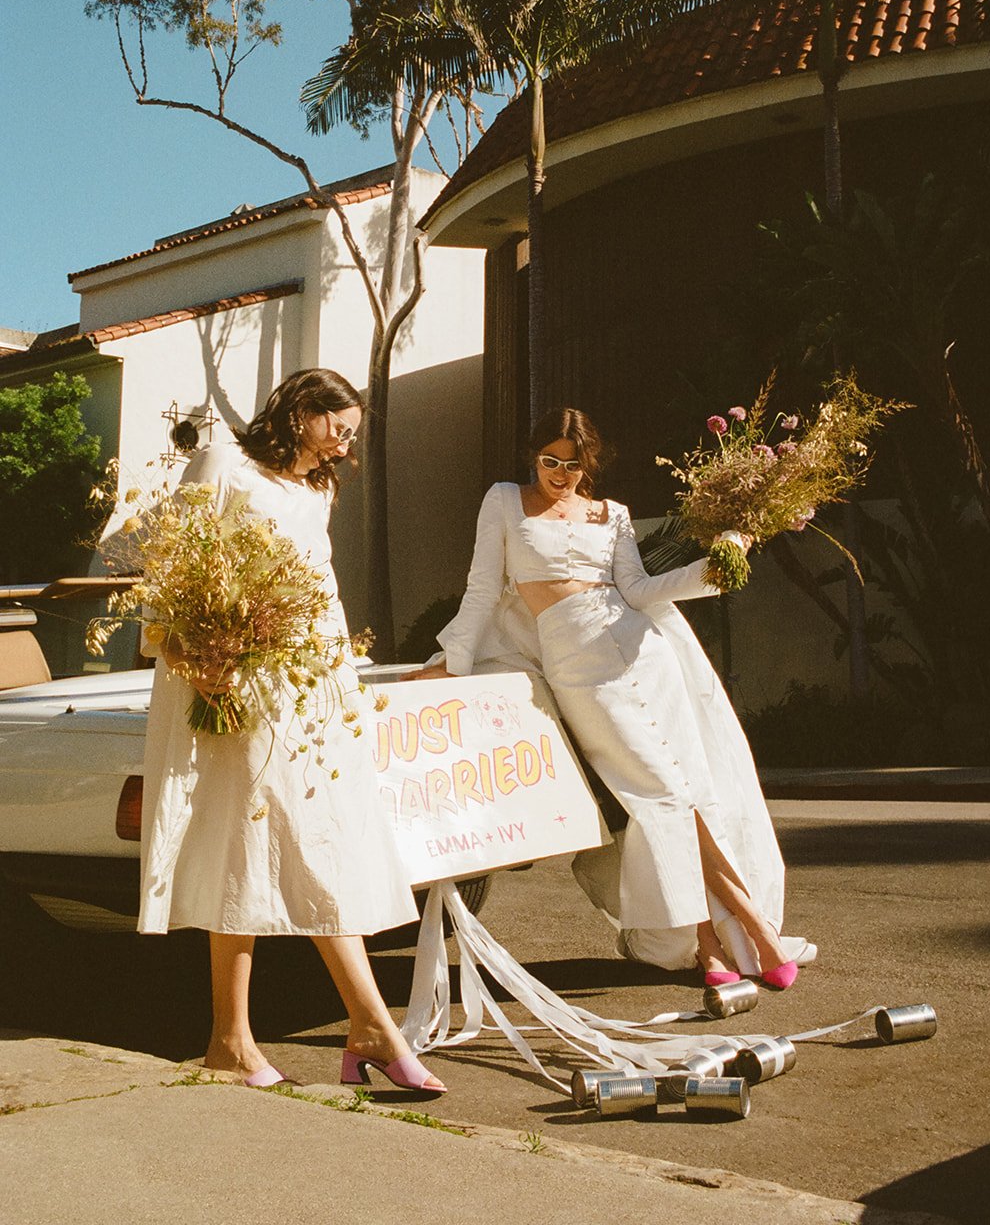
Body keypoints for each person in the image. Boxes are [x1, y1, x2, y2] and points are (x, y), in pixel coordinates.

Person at [411, 407, 814, 987]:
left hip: (641, 649)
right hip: (577, 665)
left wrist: (720, 564)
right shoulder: (503, 501)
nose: (559, 473)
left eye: (572, 465)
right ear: (534, 457)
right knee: (656, 794)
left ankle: (737, 937)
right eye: (549, 460)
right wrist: (452, 663)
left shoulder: (615, 515)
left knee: (688, 790)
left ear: (587, 464)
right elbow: (481, 590)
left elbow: (640, 590)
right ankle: (723, 935)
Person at [138, 368, 445, 1094]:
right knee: (272, 840)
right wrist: (189, 657)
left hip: (310, 680)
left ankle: (235, 1040)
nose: (344, 444)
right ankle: (356, 1026)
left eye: (350, 435)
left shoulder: (319, 489)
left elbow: (321, 584)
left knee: (287, 841)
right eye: (338, 428)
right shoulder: (223, 463)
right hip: (235, 675)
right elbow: (171, 566)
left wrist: (341, 677)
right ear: (302, 411)